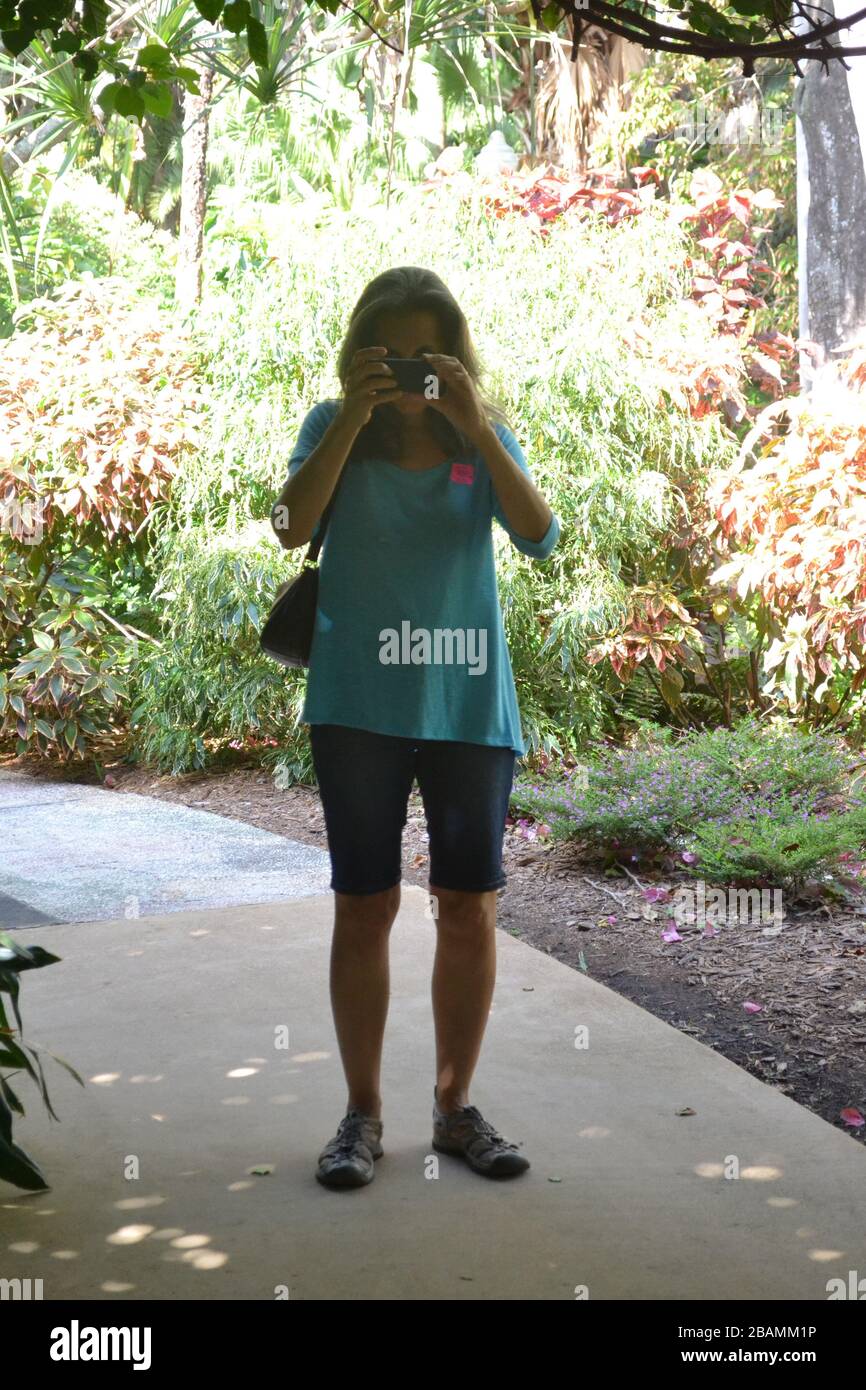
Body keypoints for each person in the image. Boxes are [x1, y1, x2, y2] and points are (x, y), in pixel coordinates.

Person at [271, 266, 560, 1190]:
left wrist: (476, 425)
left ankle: (454, 1107)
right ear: (361, 357)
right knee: (365, 903)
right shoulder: (332, 430)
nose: (406, 374)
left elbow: (541, 534)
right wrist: (350, 419)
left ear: (455, 359)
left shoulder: (480, 435)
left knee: (469, 904)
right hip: (359, 701)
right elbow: (288, 525)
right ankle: (361, 1115)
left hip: (468, 703)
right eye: (387, 356)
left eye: (425, 357)